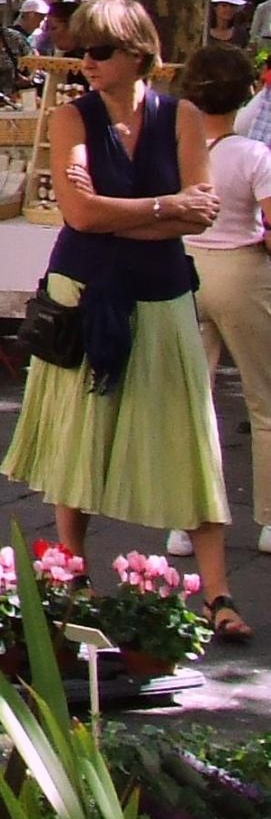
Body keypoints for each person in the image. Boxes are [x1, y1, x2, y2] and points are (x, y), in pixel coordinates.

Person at [0, 0, 249, 643]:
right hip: (85, 292)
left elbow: (205, 211)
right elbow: (81, 215)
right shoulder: (68, 119)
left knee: (189, 433)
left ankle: (217, 591)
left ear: (137, 53)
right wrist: (164, 207)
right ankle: (73, 569)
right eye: (81, 49)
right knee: (78, 433)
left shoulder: (182, 116)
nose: (85, 61)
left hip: (162, 294)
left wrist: (130, 210)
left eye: (98, 51)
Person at [176, 44, 271, 560]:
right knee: (266, 402)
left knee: (192, 402)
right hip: (241, 267)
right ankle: (270, 520)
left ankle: (185, 519)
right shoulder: (255, 155)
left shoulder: (176, 152)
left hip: (187, 268)